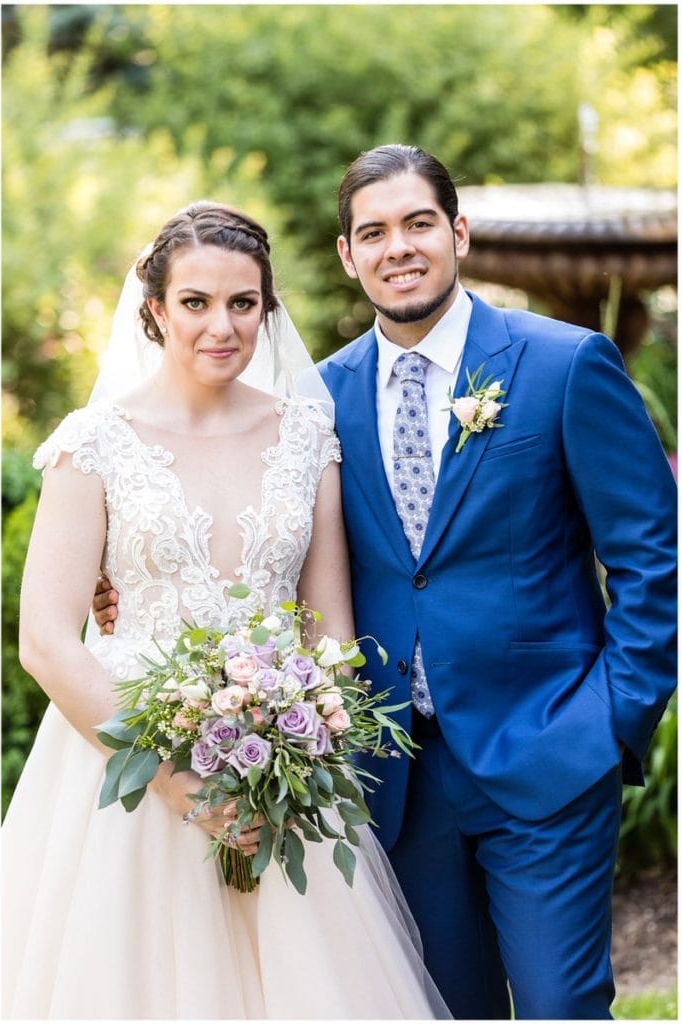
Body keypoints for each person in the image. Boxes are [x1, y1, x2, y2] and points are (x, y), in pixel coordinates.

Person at [91, 148, 678, 1019]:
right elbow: (262, 559)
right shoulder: (314, 403)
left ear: (458, 233)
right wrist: (116, 582)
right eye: (373, 232)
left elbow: (649, 556)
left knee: (561, 1005)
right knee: (439, 1008)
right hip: (393, 782)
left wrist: (609, 721)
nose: (396, 247)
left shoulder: (565, 365)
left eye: (417, 224)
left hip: (550, 755)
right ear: (344, 254)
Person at [2, 201, 450, 1020]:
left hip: (281, 775)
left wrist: (304, 742)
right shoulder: (92, 443)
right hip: (127, 776)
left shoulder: (307, 435)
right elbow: (46, 643)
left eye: (243, 303)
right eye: (196, 303)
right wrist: (176, 783)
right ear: (154, 309)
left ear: (267, 310)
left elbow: (330, 634)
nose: (222, 326)